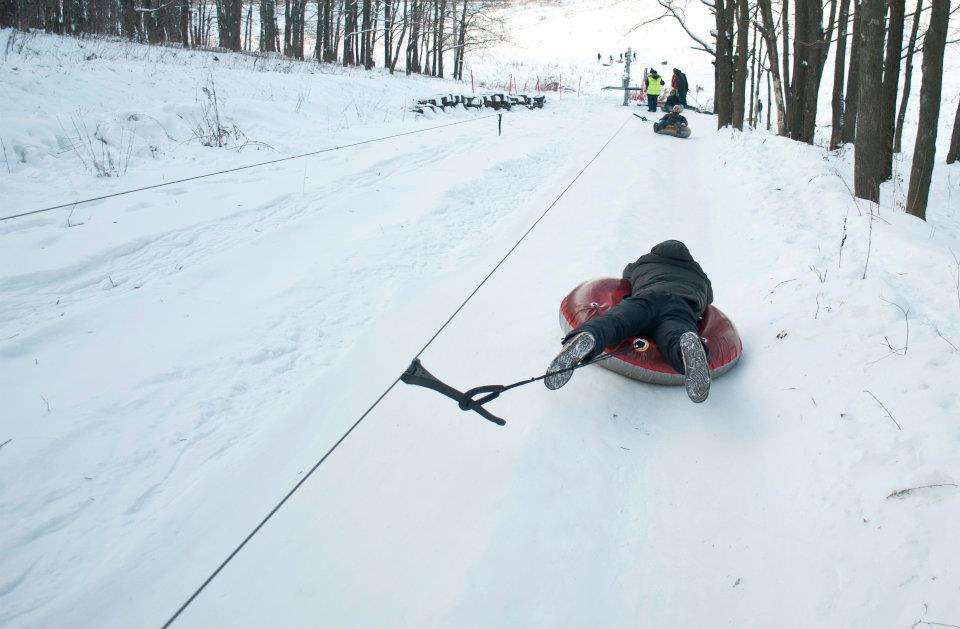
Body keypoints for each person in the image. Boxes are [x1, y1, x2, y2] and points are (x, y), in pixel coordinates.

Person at [545, 240, 712, 403]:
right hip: (680, 307)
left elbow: (626, 276)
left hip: (647, 299)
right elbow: (708, 299)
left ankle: (589, 336)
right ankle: (687, 351)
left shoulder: (646, 261)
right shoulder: (700, 275)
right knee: (674, 335)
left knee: (615, 322)